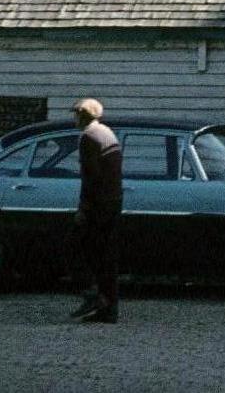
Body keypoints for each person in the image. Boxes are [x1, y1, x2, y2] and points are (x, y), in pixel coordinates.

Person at [69, 98, 122, 323]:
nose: (74, 118)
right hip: (114, 200)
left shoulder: (88, 137)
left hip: (98, 204)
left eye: (76, 114)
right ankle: (109, 307)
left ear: (83, 115)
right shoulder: (107, 133)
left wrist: (83, 208)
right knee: (107, 257)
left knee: (81, 250)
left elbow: (90, 177)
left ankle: (92, 295)